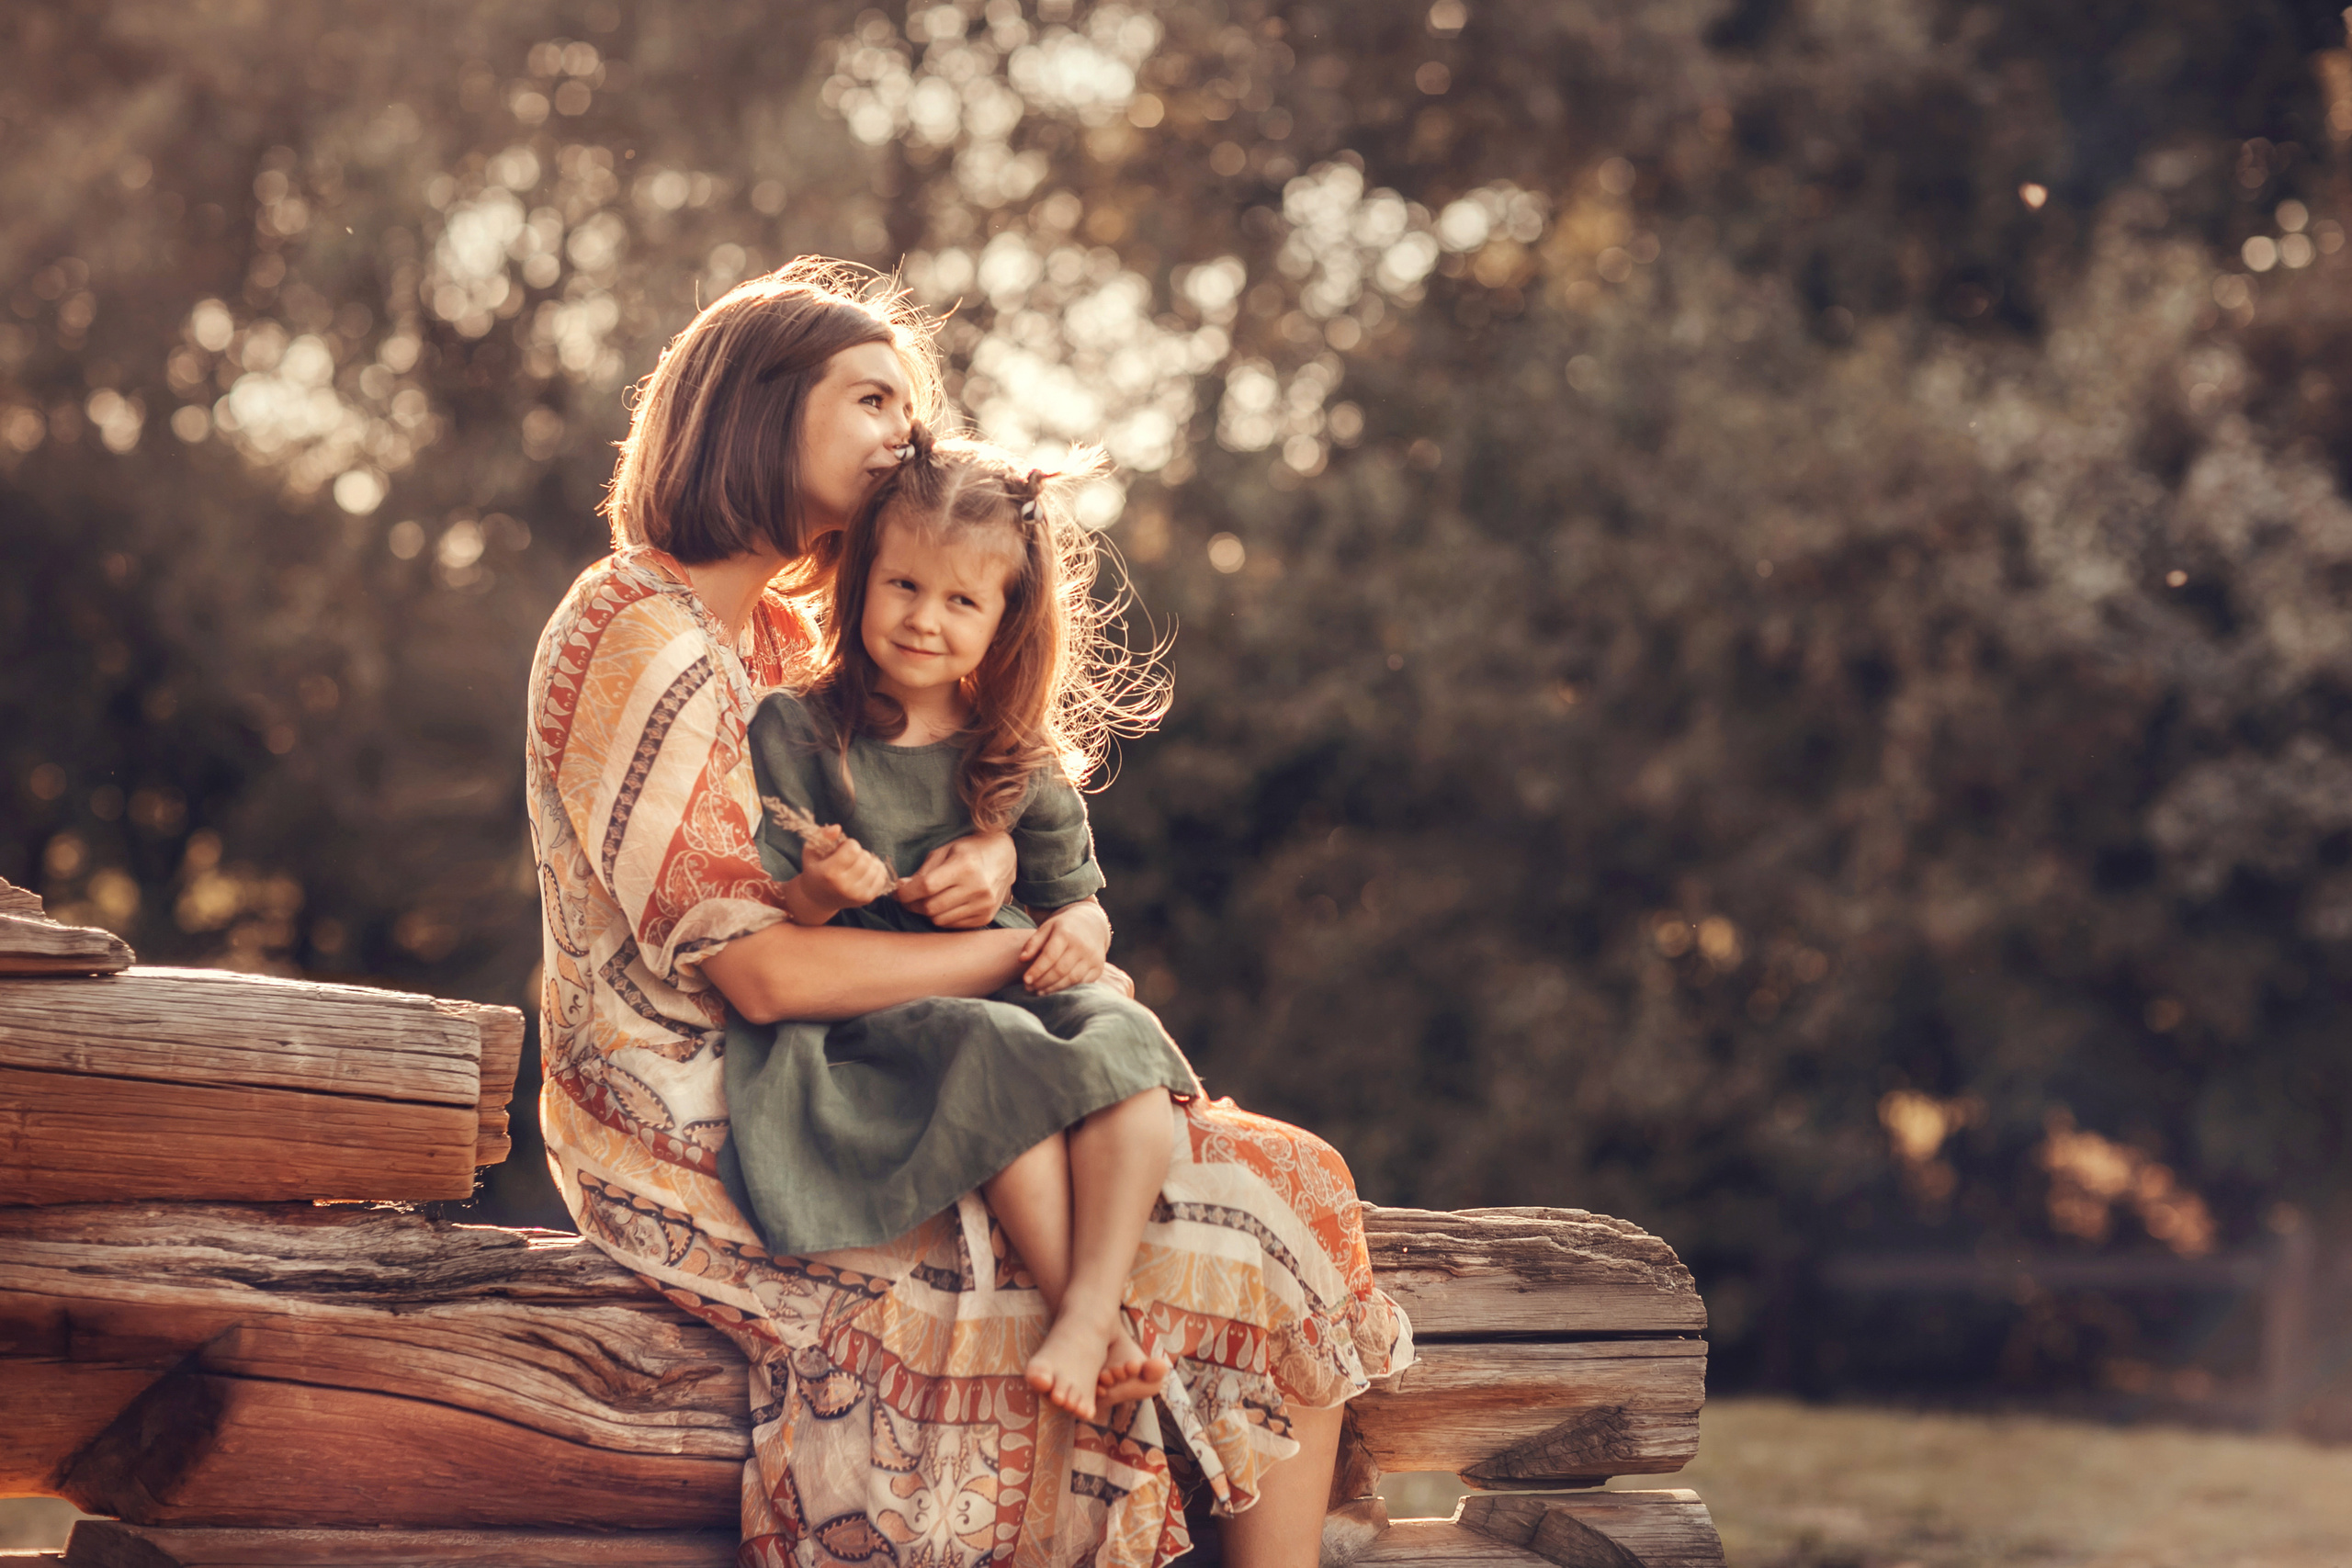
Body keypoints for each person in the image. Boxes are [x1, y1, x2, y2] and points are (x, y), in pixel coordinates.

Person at [524, 258, 1411, 1568]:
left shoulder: (776, 644)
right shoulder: (633, 624)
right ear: (762, 407)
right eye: (871, 398)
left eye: (909, 406)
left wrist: (993, 850)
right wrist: (1013, 951)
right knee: (1248, 1192)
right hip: (697, 1107)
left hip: (873, 1046)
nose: (904, 432)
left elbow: (925, 783)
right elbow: (757, 974)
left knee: (1284, 1172)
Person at [723, 429, 1197, 1422]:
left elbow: (1080, 902)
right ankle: (1093, 1327)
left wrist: (1083, 940)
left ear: (1003, 619)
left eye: (960, 600)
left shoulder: (1012, 756)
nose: (924, 620)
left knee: (1130, 1047)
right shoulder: (798, 731)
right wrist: (825, 882)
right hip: (889, 1014)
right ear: (859, 582)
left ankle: (1090, 1308)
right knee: (1000, 1056)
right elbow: (780, 914)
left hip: (1017, 981)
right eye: (903, 586)